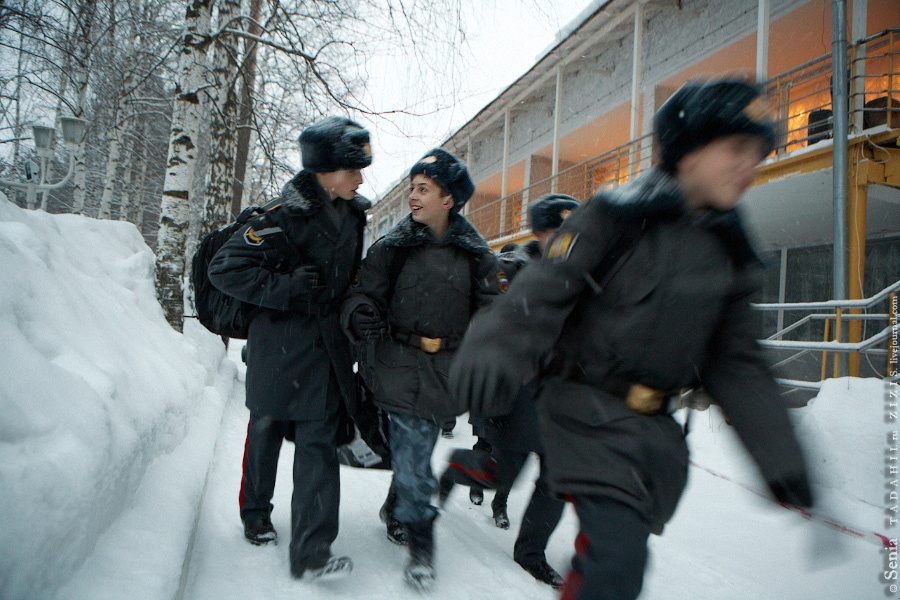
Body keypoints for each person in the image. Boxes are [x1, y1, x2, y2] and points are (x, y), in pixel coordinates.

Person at [450, 78, 814, 600]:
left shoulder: (729, 253)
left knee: (619, 566)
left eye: (757, 153)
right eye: (736, 148)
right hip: (583, 410)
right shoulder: (617, 215)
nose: (748, 165)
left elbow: (739, 362)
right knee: (616, 559)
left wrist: (781, 457)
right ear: (688, 152)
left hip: (653, 439)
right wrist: (493, 348)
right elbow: (544, 288)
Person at [208, 115, 372, 581]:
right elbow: (226, 269)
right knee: (266, 431)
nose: (360, 178)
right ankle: (255, 512)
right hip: (279, 350)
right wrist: (286, 287)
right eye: (353, 169)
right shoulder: (280, 218)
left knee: (318, 446)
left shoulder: (354, 216)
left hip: (327, 354)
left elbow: (347, 280)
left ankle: (312, 552)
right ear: (326, 170)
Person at [341, 148, 502, 591]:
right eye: (413, 187)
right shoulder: (392, 249)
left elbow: (494, 311)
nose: (413, 195)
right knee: (414, 459)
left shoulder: (476, 256)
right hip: (398, 364)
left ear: (449, 200)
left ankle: (397, 509)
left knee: (415, 452)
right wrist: (359, 313)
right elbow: (363, 293)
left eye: (423, 189)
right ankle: (421, 550)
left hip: (445, 373)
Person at [437, 194, 579, 590]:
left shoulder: (586, 274)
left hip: (563, 398)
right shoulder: (516, 268)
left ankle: (530, 553)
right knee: (502, 474)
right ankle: (456, 467)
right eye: (558, 231)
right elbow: (489, 323)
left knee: (557, 482)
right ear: (540, 233)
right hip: (520, 393)